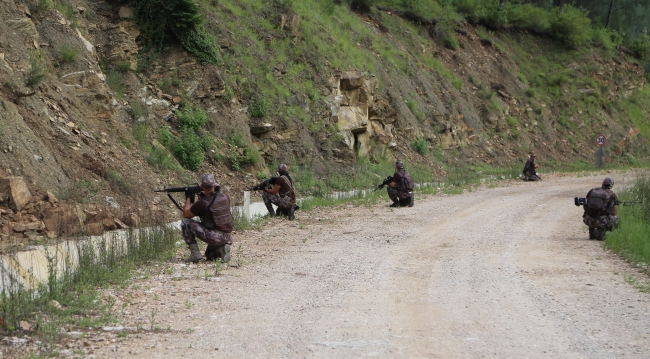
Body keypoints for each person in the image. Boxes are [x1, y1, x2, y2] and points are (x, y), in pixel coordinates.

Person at [181, 174, 233, 263]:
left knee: (186, 223)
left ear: (201, 186)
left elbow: (186, 214)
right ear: (214, 185)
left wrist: (189, 197)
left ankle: (195, 254)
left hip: (214, 237)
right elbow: (214, 205)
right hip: (227, 237)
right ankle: (222, 249)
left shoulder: (202, 203)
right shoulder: (226, 197)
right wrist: (203, 197)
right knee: (209, 256)